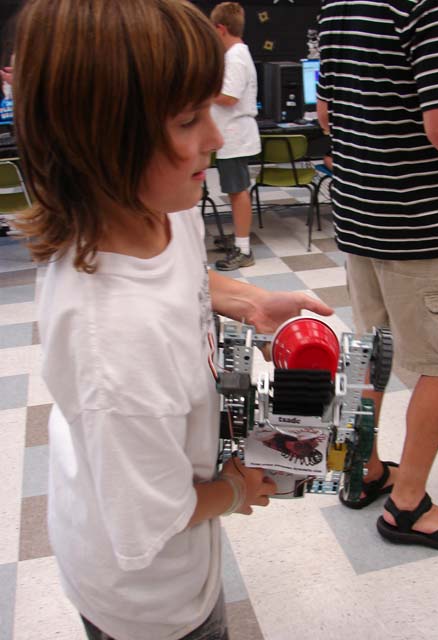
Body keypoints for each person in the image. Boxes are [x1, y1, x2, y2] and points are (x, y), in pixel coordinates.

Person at [12, 1, 333, 639]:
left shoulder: (160, 202)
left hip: (155, 496)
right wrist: (238, 489)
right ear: (101, 137)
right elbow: (147, 522)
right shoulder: (114, 340)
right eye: (188, 120)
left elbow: (178, 277)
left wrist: (246, 299)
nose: (214, 136)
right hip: (147, 601)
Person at [317, 0, 438, 551]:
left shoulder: (339, 3)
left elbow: (327, 116)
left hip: (361, 217)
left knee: (372, 350)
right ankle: (408, 505)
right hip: (426, 226)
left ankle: (362, 471)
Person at [210, 2, 260, 271]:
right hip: (231, 134)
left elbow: (229, 97)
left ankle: (244, 250)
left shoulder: (236, 57)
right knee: (234, 190)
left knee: (237, 191)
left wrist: (200, 91)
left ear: (220, 29)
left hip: (235, 135)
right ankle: (239, 237)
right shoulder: (235, 55)